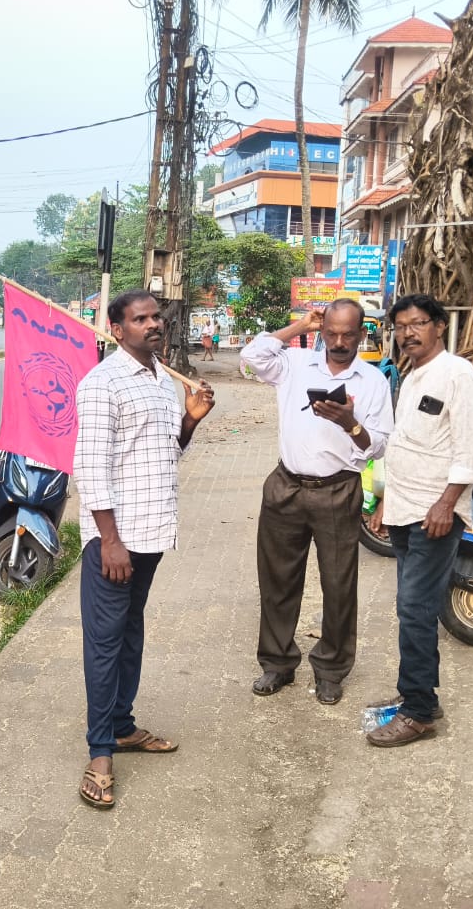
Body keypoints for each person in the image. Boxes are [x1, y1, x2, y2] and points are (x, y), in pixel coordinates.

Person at [73, 289, 215, 809]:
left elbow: (163, 452)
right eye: (140, 319)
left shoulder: (160, 379)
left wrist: (191, 419)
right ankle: (100, 754)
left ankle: (123, 725)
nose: (154, 325)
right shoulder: (102, 384)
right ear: (117, 329)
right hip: (117, 541)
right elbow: (90, 469)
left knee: (130, 633)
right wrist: (110, 541)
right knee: (105, 642)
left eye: (157, 317)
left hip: (151, 535)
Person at [240, 299, 394, 706]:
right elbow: (252, 356)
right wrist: (299, 327)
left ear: (362, 334)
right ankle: (277, 663)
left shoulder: (373, 381)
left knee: (339, 585)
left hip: (338, 490)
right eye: (332, 333)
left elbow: (379, 446)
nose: (339, 342)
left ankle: (330, 670)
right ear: (322, 331)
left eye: (348, 335)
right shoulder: (294, 364)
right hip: (286, 486)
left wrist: (350, 423)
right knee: (277, 581)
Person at [366, 293, 473, 747]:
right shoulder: (412, 374)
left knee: (414, 608)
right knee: (413, 606)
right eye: (401, 326)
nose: (408, 333)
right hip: (406, 508)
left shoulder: (457, 373)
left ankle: (418, 713)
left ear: (439, 326)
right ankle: (421, 697)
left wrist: (446, 503)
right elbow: (404, 445)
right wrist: (386, 502)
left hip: (434, 514)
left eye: (417, 323)